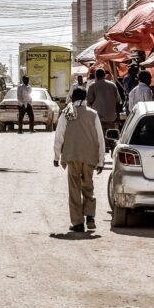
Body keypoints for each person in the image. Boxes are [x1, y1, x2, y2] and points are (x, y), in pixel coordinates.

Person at [53, 87, 105, 232]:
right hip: (89, 157)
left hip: (72, 156)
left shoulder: (67, 113)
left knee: (74, 189)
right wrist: (101, 160)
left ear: (73, 97)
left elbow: (59, 136)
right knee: (88, 187)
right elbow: (100, 139)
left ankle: (77, 223)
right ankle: (90, 217)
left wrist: (57, 156)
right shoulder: (93, 114)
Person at [86, 68, 121, 134]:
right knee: (111, 137)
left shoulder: (92, 86)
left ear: (95, 76)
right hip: (111, 118)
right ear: (104, 75)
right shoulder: (112, 85)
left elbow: (89, 102)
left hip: (98, 118)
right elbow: (118, 102)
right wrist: (118, 115)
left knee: (99, 137)